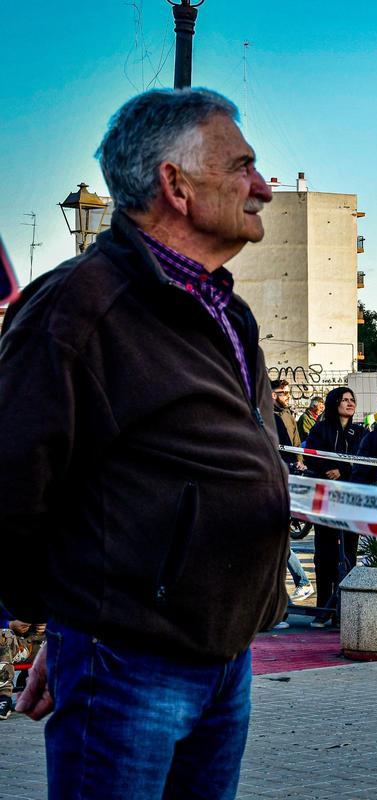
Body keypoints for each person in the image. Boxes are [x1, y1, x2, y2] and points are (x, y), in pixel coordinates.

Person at [0, 88, 287, 798]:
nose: (265, 188)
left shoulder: (225, 307)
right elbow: (12, 480)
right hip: (131, 661)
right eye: (243, 167)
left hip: (223, 656)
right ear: (176, 185)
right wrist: (68, 629)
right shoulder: (80, 306)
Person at [301, 387, 366, 627]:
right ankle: (323, 608)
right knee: (324, 553)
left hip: (350, 499)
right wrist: (328, 468)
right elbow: (309, 456)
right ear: (334, 403)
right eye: (344, 400)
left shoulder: (359, 431)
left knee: (349, 552)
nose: (350, 403)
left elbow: (363, 460)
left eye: (352, 399)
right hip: (325, 498)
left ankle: (343, 609)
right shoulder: (321, 429)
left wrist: (343, 470)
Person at [271, 379, 312, 619]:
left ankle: (302, 581)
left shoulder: (287, 415)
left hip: (285, 478)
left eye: (288, 392)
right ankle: (299, 582)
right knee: (278, 539)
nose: (287, 395)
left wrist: (299, 461)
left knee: (278, 539)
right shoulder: (267, 412)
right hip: (275, 477)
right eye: (282, 392)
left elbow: (295, 444)